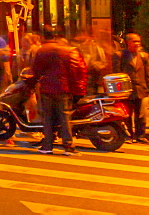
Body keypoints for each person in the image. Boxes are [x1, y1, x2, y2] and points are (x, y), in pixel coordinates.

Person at [32, 27, 87, 155]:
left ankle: (47, 145)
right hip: (63, 88)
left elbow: (36, 71)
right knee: (64, 117)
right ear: (54, 36)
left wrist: (33, 84)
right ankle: (68, 146)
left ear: (42, 37)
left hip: (46, 89)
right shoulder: (64, 51)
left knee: (48, 118)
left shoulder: (42, 50)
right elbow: (73, 69)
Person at [112, 33, 149, 143]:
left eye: (138, 41)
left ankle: (141, 136)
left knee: (141, 114)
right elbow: (117, 74)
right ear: (128, 42)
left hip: (141, 89)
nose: (137, 44)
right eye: (134, 41)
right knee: (127, 114)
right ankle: (129, 135)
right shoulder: (119, 55)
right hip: (127, 90)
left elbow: (148, 74)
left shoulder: (143, 56)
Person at [73, 30, 108, 95]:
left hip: (91, 73)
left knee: (90, 92)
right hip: (88, 73)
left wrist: (94, 64)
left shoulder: (94, 46)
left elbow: (102, 60)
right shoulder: (80, 46)